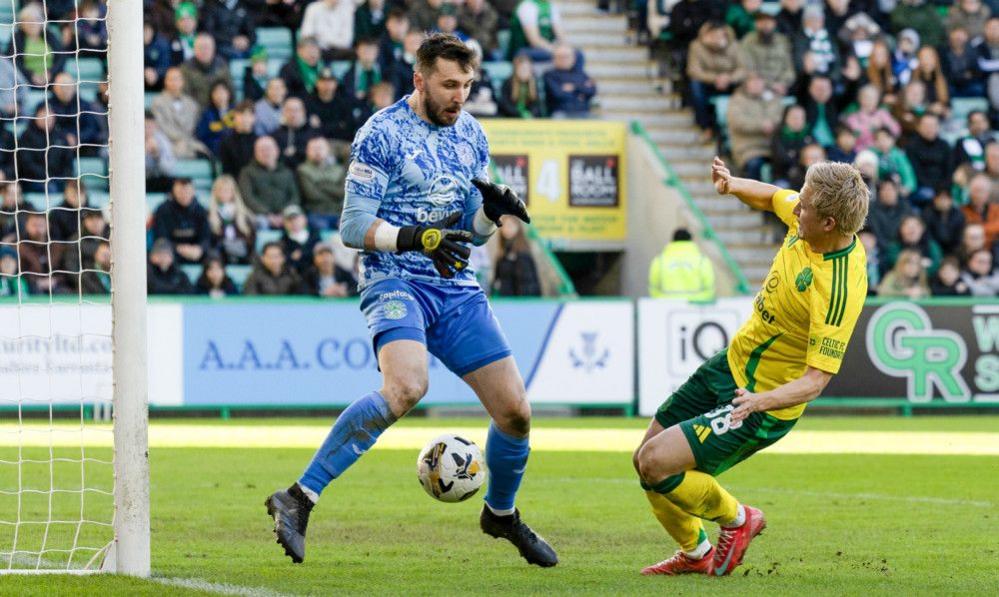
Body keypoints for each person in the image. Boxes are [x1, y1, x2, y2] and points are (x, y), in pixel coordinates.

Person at [265, 34, 558, 568]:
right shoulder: (380, 134)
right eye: (449, 85)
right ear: (419, 80)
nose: (459, 97)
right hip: (394, 278)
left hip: (455, 287)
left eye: (467, 86)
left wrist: (492, 214)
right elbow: (352, 227)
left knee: (516, 413)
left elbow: (471, 232)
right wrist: (416, 236)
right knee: (405, 387)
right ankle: (298, 497)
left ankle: (500, 514)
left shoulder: (472, 134)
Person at [635, 156, 868, 577]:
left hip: (762, 403)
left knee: (657, 464)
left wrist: (761, 402)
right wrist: (732, 185)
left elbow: (816, 381)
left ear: (830, 223)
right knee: (644, 459)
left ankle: (739, 519)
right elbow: (773, 196)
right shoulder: (808, 219)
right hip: (730, 364)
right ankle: (695, 553)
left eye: (806, 207)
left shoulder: (837, 288)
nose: (797, 209)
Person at [687, 21, 744, 141]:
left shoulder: (734, 45)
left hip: (730, 82)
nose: (716, 38)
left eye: (719, 35)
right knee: (695, 86)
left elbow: (743, 69)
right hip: (708, 83)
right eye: (712, 35)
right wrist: (715, 79)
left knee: (747, 84)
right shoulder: (696, 46)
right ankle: (706, 127)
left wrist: (728, 78)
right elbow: (694, 70)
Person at [726, 72, 783, 180]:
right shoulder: (737, 100)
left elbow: (781, 116)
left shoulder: (772, 98)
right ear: (746, 84)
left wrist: (773, 124)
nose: (757, 84)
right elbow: (738, 122)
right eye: (753, 81)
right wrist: (761, 126)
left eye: (759, 81)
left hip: (773, 146)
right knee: (754, 165)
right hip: (748, 148)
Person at [239, 136, 302, 229]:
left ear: (277, 151)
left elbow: (295, 196)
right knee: (260, 222)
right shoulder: (247, 172)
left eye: (268, 149)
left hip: (286, 214)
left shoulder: (287, 172)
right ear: (255, 153)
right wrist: (267, 214)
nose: (266, 153)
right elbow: (248, 197)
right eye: (261, 150)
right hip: (259, 215)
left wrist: (284, 214)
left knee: (298, 220)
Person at [152, 177, 212, 265]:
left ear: (193, 192)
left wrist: (199, 249)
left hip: (196, 252)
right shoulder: (163, 210)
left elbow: (206, 237)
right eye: (180, 192)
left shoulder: (201, 210)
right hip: (170, 251)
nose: (184, 195)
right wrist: (179, 248)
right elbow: (160, 237)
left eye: (187, 192)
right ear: (173, 192)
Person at [151, 67, 208, 160]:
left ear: (182, 82)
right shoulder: (158, 102)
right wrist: (179, 138)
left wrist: (185, 139)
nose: (174, 82)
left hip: (189, 142)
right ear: (165, 81)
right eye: (170, 79)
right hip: (168, 142)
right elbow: (161, 125)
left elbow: (193, 126)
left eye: (177, 79)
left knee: (206, 152)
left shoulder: (191, 104)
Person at [648, 228, 715, 300]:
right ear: (691, 241)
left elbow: (653, 287)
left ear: (672, 241)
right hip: (694, 307)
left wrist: (663, 299)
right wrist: (695, 299)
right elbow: (709, 289)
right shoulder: (702, 260)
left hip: (667, 306)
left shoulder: (660, 260)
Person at [738, 11, 794, 95]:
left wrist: (783, 83)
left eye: (768, 22)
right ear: (756, 24)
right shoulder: (748, 41)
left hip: (780, 86)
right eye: (761, 22)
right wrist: (771, 85)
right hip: (756, 85)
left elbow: (789, 69)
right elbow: (748, 69)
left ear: (774, 24)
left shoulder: (783, 41)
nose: (765, 25)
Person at [297, 136, 347, 229]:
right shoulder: (303, 170)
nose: (317, 152)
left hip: (339, 212)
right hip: (316, 212)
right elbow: (312, 195)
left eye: (320, 148)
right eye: (313, 149)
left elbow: (342, 193)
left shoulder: (339, 169)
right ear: (307, 151)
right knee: (319, 225)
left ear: (328, 150)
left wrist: (321, 185)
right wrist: (333, 189)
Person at [905, 113, 954, 206]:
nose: (930, 129)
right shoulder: (911, 146)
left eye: (933, 126)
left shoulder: (945, 145)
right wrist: (935, 190)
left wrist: (943, 188)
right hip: (922, 187)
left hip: (943, 187)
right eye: (926, 126)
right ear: (918, 127)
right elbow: (915, 172)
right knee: (929, 194)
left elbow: (949, 169)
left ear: (938, 127)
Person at [207, 175, 256, 265]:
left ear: (233, 192)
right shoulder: (209, 214)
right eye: (220, 190)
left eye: (227, 190)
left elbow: (251, 238)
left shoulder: (244, 215)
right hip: (220, 256)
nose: (223, 194)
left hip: (242, 254)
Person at [491, 215, 541, 296]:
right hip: (504, 301)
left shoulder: (523, 254)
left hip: (519, 303)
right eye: (503, 226)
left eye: (510, 225)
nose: (506, 229)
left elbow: (527, 284)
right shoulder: (503, 253)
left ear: (518, 228)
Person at [542, 44, 597, 118]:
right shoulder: (549, 75)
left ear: (573, 58)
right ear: (554, 59)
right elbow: (558, 94)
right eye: (561, 57)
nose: (564, 60)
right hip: (561, 113)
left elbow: (592, 91)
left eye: (567, 56)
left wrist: (574, 87)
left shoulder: (581, 73)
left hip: (584, 112)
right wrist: (580, 93)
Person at [180, 34, 233, 109]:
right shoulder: (185, 68)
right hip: (195, 111)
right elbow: (185, 96)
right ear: (194, 49)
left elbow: (230, 91)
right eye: (200, 48)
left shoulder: (222, 66)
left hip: (218, 110)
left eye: (207, 48)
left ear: (213, 49)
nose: (204, 51)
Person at [218, 101, 257, 178]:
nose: (245, 119)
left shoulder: (259, 141)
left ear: (254, 118)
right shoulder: (226, 142)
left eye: (248, 115)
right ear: (234, 118)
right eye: (241, 114)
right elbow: (226, 171)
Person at [195, 80, 234, 156]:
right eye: (216, 92)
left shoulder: (236, 111)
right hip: (215, 149)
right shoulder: (207, 114)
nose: (220, 96)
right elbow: (202, 135)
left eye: (222, 92)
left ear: (228, 93)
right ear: (211, 96)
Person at [279, 205, 323, 274]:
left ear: (304, 219)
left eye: (296, 218)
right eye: (289, 220)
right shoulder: (283, 240)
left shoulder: (315, 235)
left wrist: (299, 255)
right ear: (284, 223)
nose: (293, 222)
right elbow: (284, 260)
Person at [923, 188, 966, 256]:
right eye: (940, 198)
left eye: (946, 198)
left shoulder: (958, 215)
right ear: (935, 200)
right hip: (933, 249)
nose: (943, 202)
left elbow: (959, 236)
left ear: (951, 200)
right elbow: (928, 236)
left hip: (953, 249)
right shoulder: (927, 214)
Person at [962, 173, 999, 246]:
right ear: (970, 193)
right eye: (975, 191)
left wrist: (980, 229)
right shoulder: (963, 211)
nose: (978, 195)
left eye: (981, 191)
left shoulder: (996, 209)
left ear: (988, 193)